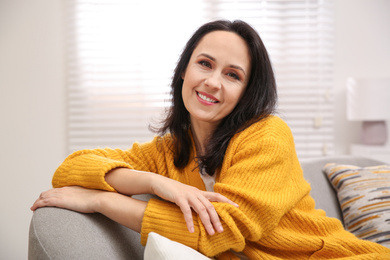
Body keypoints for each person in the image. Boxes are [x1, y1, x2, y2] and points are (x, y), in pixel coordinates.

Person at [31, 20, 390, 259]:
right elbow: (71, 169)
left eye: (232, 74)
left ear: (247, 91)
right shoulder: (168, 152)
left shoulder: (268, 135)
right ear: (184, 69)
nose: (213, 82)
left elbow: (217, 231)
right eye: (205, 63)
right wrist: (156, 183)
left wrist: (101, 202)